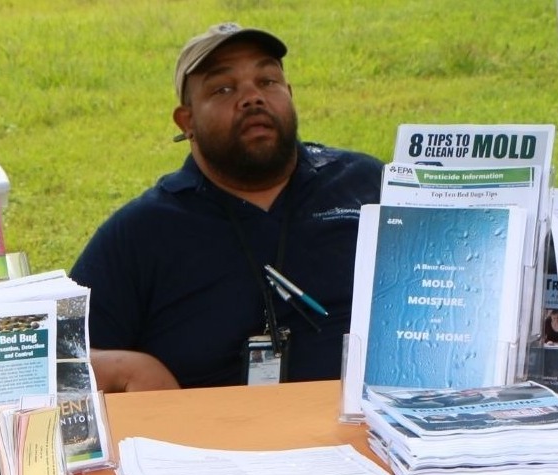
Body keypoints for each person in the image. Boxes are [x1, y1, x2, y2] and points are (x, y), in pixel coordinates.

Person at [72, 23, 383, 391]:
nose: (252, 98)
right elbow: (52, 361)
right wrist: (129, 370)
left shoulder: (365, 185)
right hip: (213, 443)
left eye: (267, 81)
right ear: (187, 121)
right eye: (223, 89)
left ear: (290, 94)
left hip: (363, 431)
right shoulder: (143, 231)